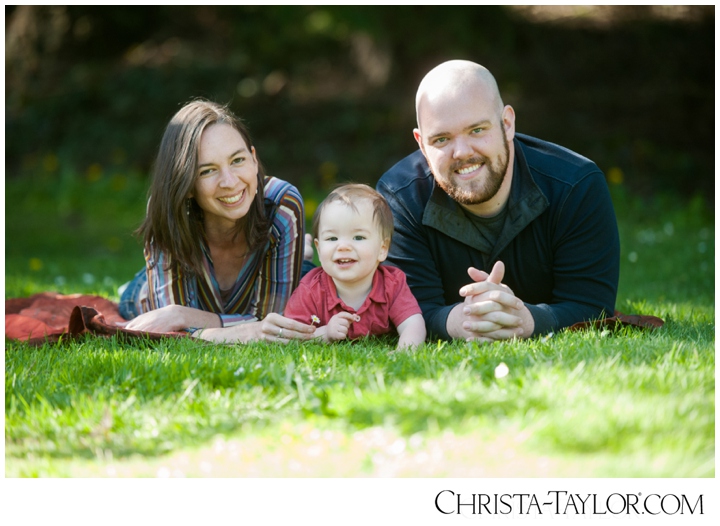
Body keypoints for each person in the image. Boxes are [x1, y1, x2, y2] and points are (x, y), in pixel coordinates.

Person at [376, 60, 620, 343]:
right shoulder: (400, 198)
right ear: (421, 143)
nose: (461, 152)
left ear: (507, 124)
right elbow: (408, 310)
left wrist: (527, 319)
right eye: (442, 139)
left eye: (477, 130)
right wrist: (459, 321)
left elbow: (591, 305)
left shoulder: (576, 186)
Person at [118, 99, 316, 343]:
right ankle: (144, 279)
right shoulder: (167, 210)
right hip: (152, 292)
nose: (230, 182)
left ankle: (300, 256)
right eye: (207, 171)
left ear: (254, 159)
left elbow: (273, 321)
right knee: (136, 301)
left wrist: (181, 315)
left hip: (226, 297)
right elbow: (170, 333)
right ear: (186, 184)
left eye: (237, 160)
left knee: (312, 282)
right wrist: (176, 316)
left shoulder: (281, 204)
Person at [284, 184, 426, 350]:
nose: (343, 246)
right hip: (306, 273)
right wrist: (324, 333)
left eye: (358, 237)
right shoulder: (309, 290)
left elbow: (413, 324)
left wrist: (404, 352)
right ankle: (305, 252)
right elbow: (291, 335)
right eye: (332, 238)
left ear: (382, 249)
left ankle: (306, 251)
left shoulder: (392, 284)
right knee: (302, 266)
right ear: (320, 249)